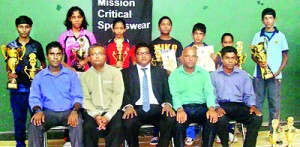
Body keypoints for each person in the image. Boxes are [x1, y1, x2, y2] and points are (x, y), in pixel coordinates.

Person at [28, 41, 83, 147]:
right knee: (34, 123)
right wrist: (38, 111)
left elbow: (77, 96)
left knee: (78, 122)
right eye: (52, 54)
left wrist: (75, 111)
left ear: (62, 56)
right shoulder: (39, 77)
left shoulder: (71, 75)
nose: (55, 57)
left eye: (58, 54)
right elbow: (34, 98)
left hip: (69, 112)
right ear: (47, 56)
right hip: (48, 113)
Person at [121, 42, 176, 147]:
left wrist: (168, 104)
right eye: (140, 53)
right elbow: (124, 93)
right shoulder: (126, 73)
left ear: (151, 56)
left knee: (170, 118)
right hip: (136, 109)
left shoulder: (161, 72)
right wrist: (128, 106)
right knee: (128, 121)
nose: (143, 55)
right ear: (135, 56)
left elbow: (167, 91)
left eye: (146, 53)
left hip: (157, 108)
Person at [5, 15, 46, 147]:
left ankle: (37, 144)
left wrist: (40, 72)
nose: (24, 30)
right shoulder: (11, 46)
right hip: (17, 89)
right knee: (19, 120)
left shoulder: (36, 45)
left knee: (37, 119)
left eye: (27, 27)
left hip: (35, 89)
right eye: (21, 27)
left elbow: (44, 64)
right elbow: (8, 65)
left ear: (31, 28)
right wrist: (9, 74)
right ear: (17, 28)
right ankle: (20, 144)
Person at [211, 46, 263, 147]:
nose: (230, 61)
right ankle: (225, 145)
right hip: (222, 106)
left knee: (256, 118)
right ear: (222, 59)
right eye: (227, 58)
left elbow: (249, 94)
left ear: (236, 59)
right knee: (220, 119)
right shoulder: (214, 75)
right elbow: (211, 95)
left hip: (239, 106)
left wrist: (252, 106)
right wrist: (216, 107)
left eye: (232, 58)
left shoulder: (243, 75)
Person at [251, 8, 289, 140]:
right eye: (265, 18)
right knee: (257, 104)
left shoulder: (281, 36)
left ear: (274, 19)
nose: (268, 21)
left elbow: (285, 56)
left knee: (274, 104)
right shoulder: (257, 35)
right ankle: (253, 133)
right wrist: (258, 61)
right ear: (262, 20)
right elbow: (253, 55)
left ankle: (274, 133)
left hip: (275, 77)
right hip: (259, 76)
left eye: (270, 18)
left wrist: (279, 70)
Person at [169, 46, 218, 147]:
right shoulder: (174, 75)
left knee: (212, 120)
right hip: (183, 108)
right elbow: (175, 94)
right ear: (182, 58)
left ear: (197, 58)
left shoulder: (204, 73)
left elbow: (209, 92)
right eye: (187, 56)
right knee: (178, 124)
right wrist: (179, 109)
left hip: (201, 107)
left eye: (193, 56)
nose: (190, 59)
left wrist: (211, 108)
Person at [80, 44, 124, 147]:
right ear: (89, 58)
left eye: (100, 54)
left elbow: (118, 96)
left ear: (105, 56)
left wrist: (108, 116)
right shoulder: (84, 76)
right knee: (88, 127)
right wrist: (96, 115)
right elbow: (85, 99)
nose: (97, 56)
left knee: (118, 126)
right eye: (94, 54)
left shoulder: (115, 73)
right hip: (93, 112)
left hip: (112, 111)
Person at [58, 6, 97, 72]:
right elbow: (58, 57)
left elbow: (96, 54)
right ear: (69, 19)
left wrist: (86, 60)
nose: (77, 20)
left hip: (88, 72)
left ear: (82, 18)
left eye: (79, 17)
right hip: (68, 73)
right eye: (74, 17)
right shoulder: (64, 36)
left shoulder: (89, 35)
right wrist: (69, 68)